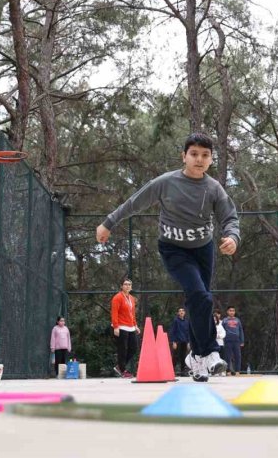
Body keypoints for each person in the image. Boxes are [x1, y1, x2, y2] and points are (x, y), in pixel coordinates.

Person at [97, 132, 240, 382]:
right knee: (200, 296)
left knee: (199, 301)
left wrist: (232, 237)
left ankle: (195, 360)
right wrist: (108, 223)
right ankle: (209, 353)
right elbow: (134, 203)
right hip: (174, 250)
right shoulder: (166, 183)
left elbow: (229, 217)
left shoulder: (213, 188)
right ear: (183, 156)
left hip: (203, 250)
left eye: (205, 155)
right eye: (194, 154)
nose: (199, 159)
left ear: (211, 160)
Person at [110, 278, 140, 378]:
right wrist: (116, 327)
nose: (127, 286)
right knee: (122, 349)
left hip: (131, 327)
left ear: (131, 287)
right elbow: (114, 313)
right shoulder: (117, 298)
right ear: (121, 286)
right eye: (125, 284)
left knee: (134, 347)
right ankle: (123, 370)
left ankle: (119, 366)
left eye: (129, 284)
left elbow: (132, 314)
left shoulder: (131, 298)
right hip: (121, 327)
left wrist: (135, 325)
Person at [222, 306, 245, 375]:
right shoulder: (224, 320)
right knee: (227, 356)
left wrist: (242, 341)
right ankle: (228, 371)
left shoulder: (237, 320)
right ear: (227, 312)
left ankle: (237, 371)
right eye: (230, 311)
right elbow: (222, 330)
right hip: (227, 340)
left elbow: (241, 330)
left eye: (233, 311)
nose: (232, 312)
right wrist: (223, 340)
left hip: (236, 340)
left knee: (237, 356)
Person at [168, 307, 191, 376]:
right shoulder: (176, 321)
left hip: (184, 341)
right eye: (180, 311)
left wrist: (188, 342)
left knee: (183, 356)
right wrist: (173, 341)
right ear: (178, 313)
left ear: (185, 313)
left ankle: (183, 371)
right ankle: (172, 371)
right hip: (177, 341)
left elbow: (188, 332)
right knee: (175, 356)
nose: (181, 312)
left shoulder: (186, 321)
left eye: (183, 311)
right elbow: (173, 331)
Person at [213, 309, 226, 376]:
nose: (215, 320)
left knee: (221, 358)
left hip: (220, 344)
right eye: (213, 319)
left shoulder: (220, 326)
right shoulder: (210, 327)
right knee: (215, 358)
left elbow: (224, 333)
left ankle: (222, 371)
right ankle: (216, 371)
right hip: (213, 345)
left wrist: (218, 336)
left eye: (216, 319)